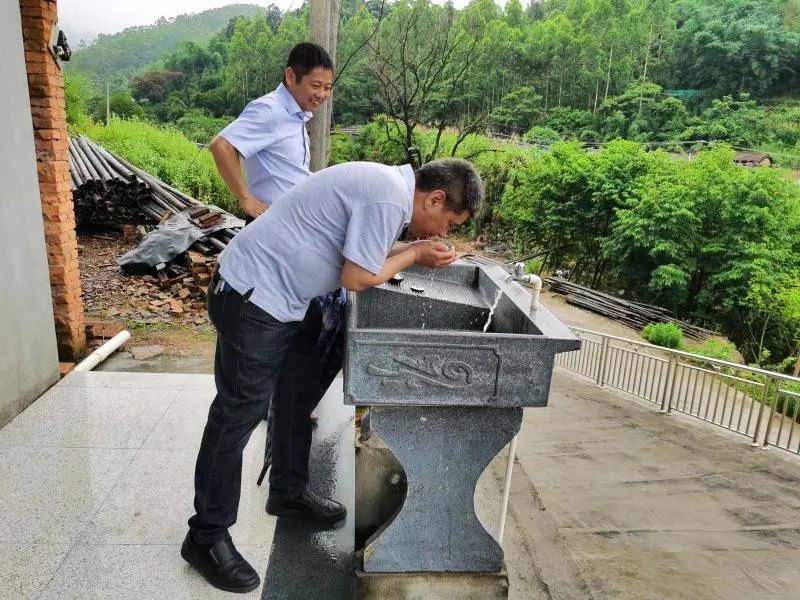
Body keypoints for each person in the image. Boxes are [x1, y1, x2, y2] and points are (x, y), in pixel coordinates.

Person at [182, 158, 484, 593]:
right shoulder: (385, 196)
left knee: (295, 393)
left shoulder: (388, 192)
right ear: (434, 198)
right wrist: (416, 253)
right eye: (446, 222)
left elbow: (365, 254)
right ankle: (206, 535)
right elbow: (358, 275)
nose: (441, 233)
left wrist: (413, 255)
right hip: (254, 298)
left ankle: (288, 490)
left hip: (287, 300)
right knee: (236, 416)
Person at [210, 42, 334, 426]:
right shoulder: (269, 110)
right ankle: (264, 402)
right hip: (271, 235)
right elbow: (222, 145)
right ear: (290, 76)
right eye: (315, 84)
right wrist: (246, 198)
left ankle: (285, 400)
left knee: (294, 321)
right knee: (268, 322)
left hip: (290, 233)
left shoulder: (294, 117)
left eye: (328, 87)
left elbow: (289, 175)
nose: (321, 95)